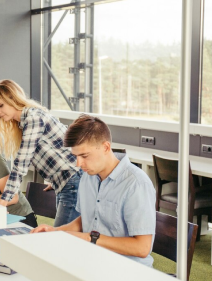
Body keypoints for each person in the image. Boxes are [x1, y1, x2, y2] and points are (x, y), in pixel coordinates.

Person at [32, 114, 156, 267]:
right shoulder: (87, 177)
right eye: (76, 156)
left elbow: (142, 248)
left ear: (106, 147)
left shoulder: (136, 184)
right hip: (93, 261)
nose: (78, 163)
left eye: (84, 155)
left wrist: (90, 238)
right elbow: (86, 219)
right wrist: (56, 231)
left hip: (127, 270)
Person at [0, 79, 81, 227]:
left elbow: (20, 165)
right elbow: (56, 150)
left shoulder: (33, 118)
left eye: (0, 105)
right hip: (66, 182)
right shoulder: (23, 124)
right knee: (66, 238)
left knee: (60, 238)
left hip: (73, 182)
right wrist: (56, 178)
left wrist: (3, 203)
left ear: (12, 98)